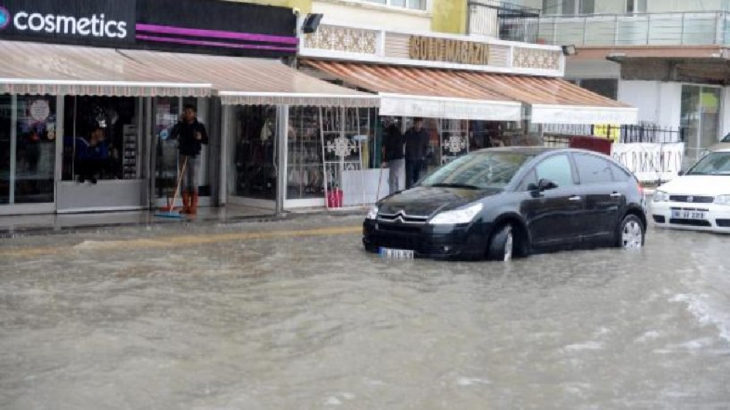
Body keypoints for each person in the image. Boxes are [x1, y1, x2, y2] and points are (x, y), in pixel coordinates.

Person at [170, 104, 208, 214]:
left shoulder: (199, 126)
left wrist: (200, 137)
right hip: (183, 154)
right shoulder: (181, 125)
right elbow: (173, 134)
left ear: (194, 114)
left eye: (190, 112)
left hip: (194, 155)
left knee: (194, 180)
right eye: (186, 112)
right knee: (184, 180)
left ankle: (193, 206)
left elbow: (206, 140)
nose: (188, 114)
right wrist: (179, 122)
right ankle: (185, 205)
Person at [404, 117, 429, 189]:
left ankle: (415, 192)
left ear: (422, 124)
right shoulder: (409, 132)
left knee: (417, 179)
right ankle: (407, 193)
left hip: (419, 160)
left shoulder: (425, 133)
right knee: (409, 179)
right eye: (417, 123)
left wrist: (423, 156)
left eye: (420, 123)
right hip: (410, 160)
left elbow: (426, 146)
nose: (418, 125)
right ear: (414, 124)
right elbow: (403, 142)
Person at [382, 118, 404, 194]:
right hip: (397, 158)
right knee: (395, 179)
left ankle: (392, 196)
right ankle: (396, 195)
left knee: (392, 179)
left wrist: (385, 160)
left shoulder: (392, 133)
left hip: (396, 159)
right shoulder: (394, 131)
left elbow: (390, 147)